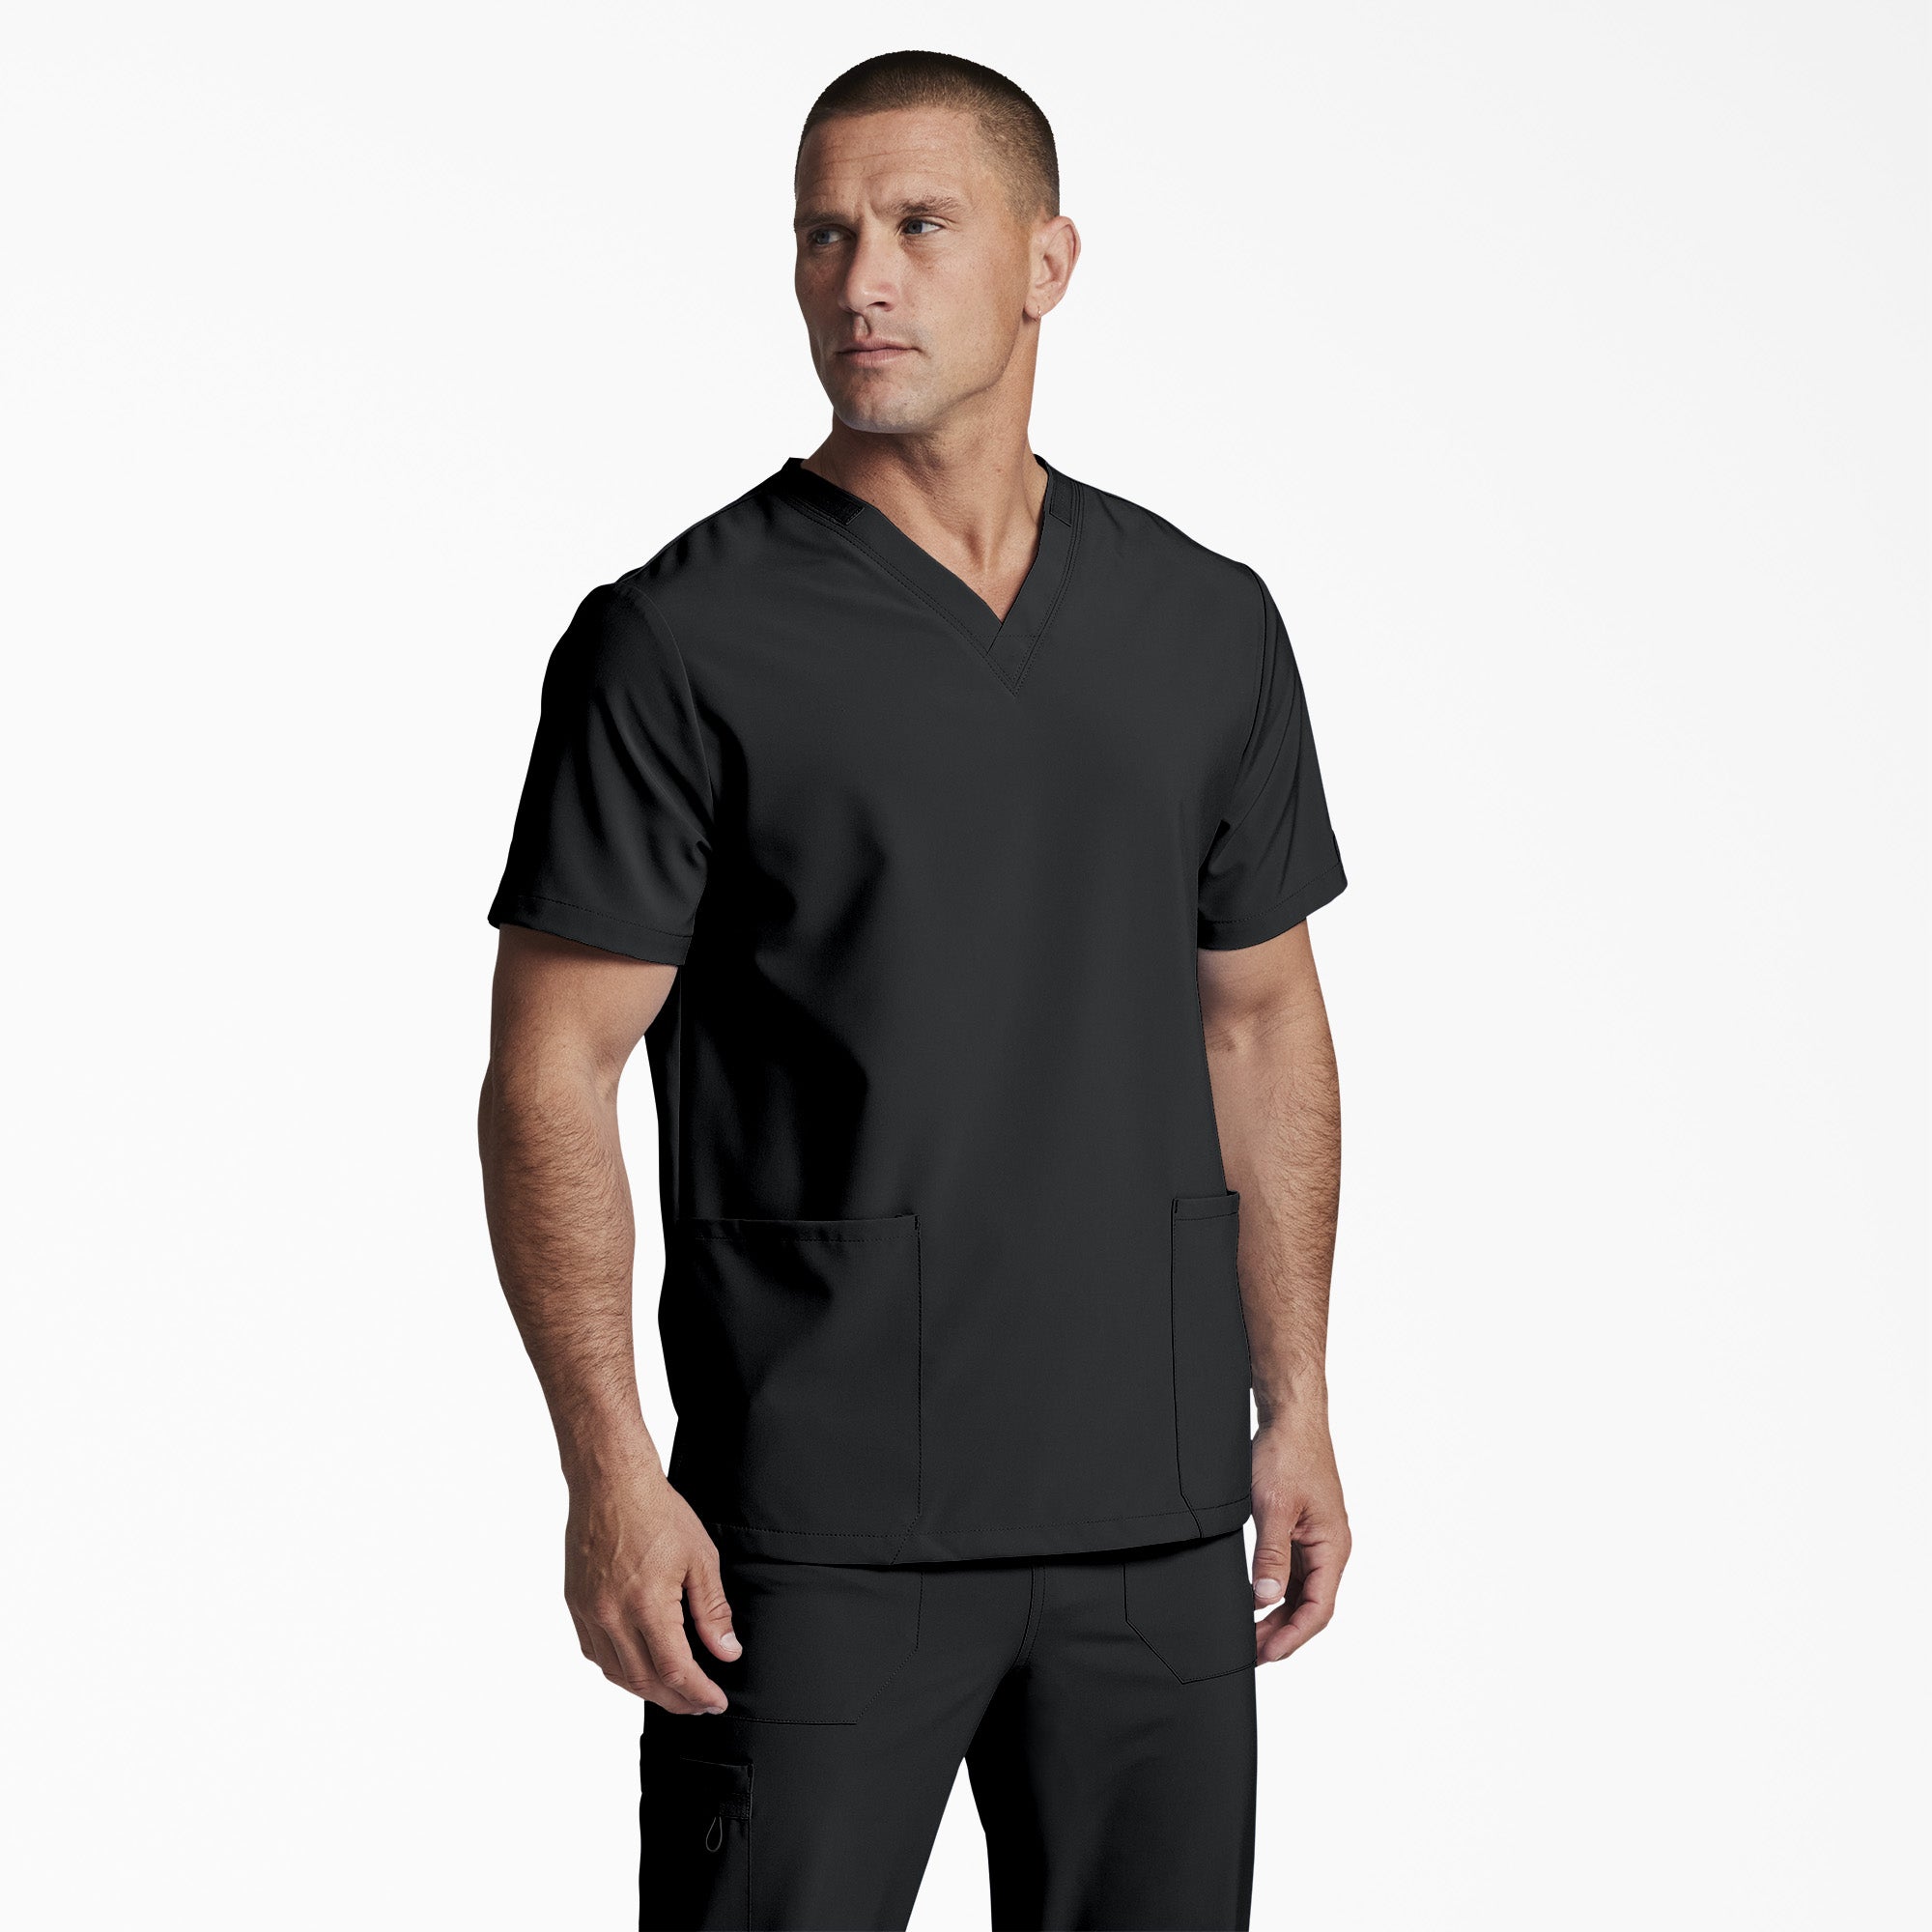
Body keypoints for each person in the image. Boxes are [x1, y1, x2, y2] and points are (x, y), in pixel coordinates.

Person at [478, 48, 1350, 1932]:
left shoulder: (1202, 623)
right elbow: (550, 1072)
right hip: (810, 1533)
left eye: (918, 227)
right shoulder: (676, 642)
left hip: (1151, 1518)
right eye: (823, 234)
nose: (859, 279)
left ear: (1047, 262)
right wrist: (610, 1468)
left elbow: (1260, 1020)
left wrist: (1295, 1402)